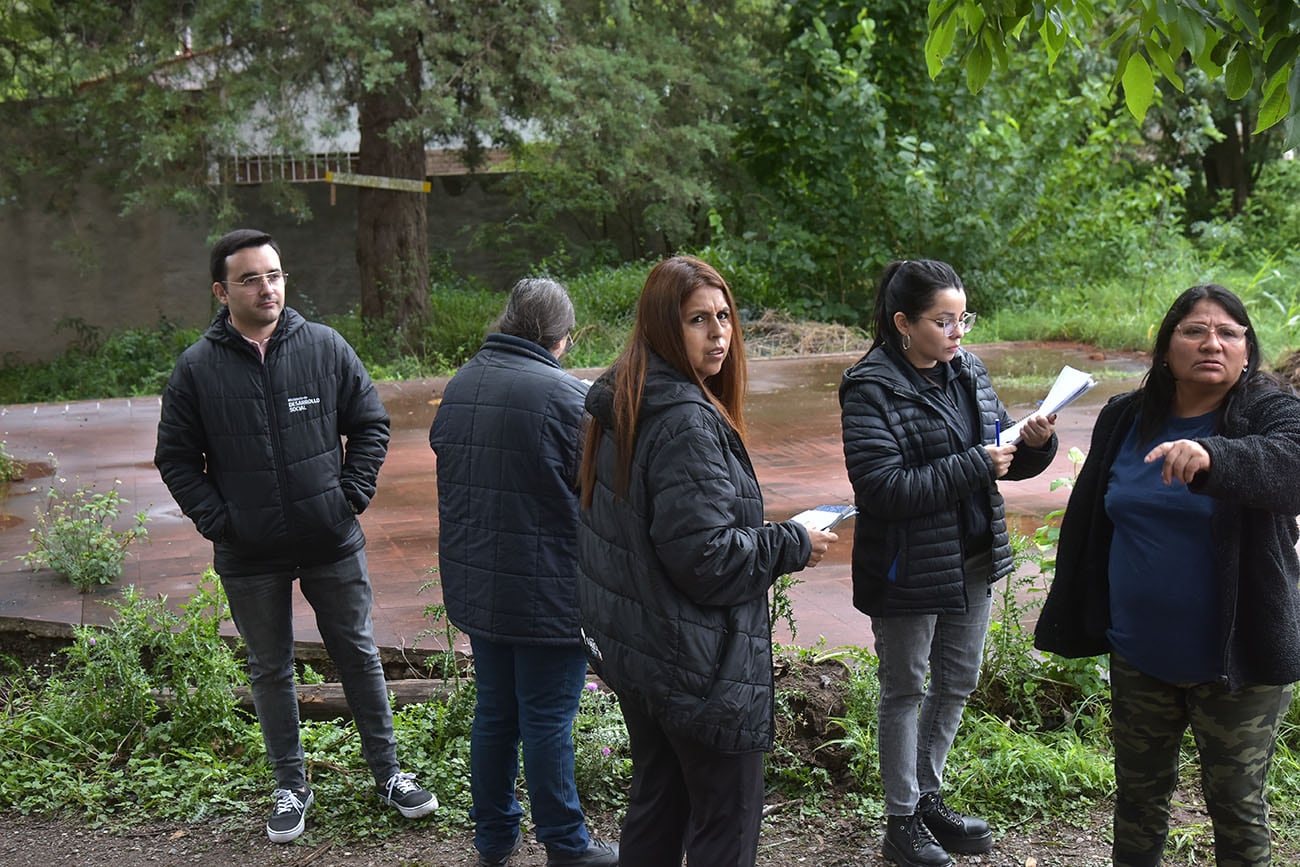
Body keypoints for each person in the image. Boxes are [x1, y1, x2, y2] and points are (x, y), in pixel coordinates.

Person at [154, 228, 437, 844]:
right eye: (251, 278)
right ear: (220, 291)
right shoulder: (198, 368)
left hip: (329, 538)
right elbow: (175, 458)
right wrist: (220, 520)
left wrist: (348, 498)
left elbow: (369, 424)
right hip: (248, 551)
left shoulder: (325, 348)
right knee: (270, 667)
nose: (267, 288)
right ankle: (290, 784)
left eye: (274, 274)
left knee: (358, 654)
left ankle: (388, 773)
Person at [575, 256, 838, 867]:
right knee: (725, 824)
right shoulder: (684, 422)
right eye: (698, 320)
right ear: (665, 327)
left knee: (659, 804)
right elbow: (708, 559)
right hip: (700, 667)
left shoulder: (628, 397)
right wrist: (794, 541)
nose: (719, 334)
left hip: (644, 653)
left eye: (724, 317)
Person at [1035, 284, 1300, 867]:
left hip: (1237, 662)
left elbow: (1292, 466)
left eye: (1230, 333)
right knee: (1138, 799)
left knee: (1236, 806)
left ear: (1247, 349)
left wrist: (1215, 458)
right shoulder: (1126, 416)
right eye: (1194, 330)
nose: (1213, 343)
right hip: (1140, 653)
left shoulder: (1268, 410)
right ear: (1165, 346)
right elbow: (1092, 519)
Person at [839, 259, 1058, 867]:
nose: (959, 332)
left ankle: (928, 794)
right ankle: (900, 819)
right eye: (945, 320)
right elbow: (881, 488)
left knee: (957, 681)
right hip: (906, 566)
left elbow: (998, 449)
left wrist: (1033, 442)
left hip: (972, 553)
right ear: (903, 323)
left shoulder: (966, 369)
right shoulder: (870, 387)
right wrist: (975, 463)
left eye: (964, 318)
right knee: (905, 687)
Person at [429, 278, 619, 867]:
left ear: (508, 320)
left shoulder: (461, 384)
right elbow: (601, 491)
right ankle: (566, 844)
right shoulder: (568, 398)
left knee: (495, 712)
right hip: (549, 591)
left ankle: (493, 838)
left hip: (478, 586)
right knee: (546, 721)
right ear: (565, 337)